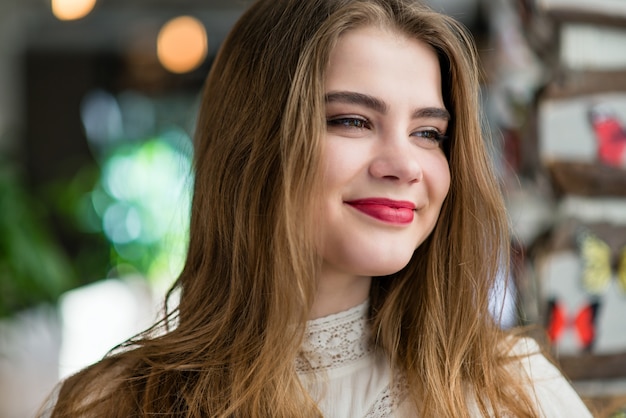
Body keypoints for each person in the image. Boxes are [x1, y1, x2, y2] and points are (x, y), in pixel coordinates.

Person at [43, 0, 593, 416]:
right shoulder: (111, 403)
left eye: (428, 132)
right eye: (352, 120)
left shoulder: (515, 391)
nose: (405, 164)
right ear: (253, 144)